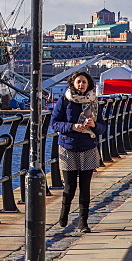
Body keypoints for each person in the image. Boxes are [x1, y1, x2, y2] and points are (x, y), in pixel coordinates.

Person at [49, 71, 106, 232]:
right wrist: (72, 126)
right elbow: (54, 123)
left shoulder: (94, 102)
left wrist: (94, 125)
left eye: (84, 82)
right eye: (78, 82)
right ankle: (64, 211)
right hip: (68, 147)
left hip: (88, 147)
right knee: (70, 186)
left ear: (89, 84)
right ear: (73, 83)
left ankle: (83, 222)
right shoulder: (65, 100)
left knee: (85, 187)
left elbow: (102, 126)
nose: (81, 85)